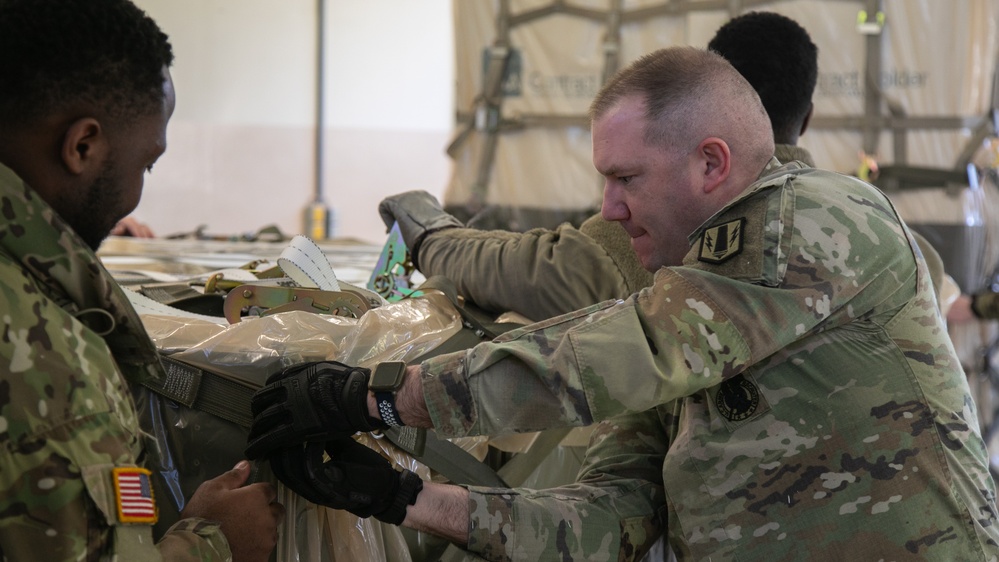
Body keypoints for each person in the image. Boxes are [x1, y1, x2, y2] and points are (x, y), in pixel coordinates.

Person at [247, 46, 999, 560]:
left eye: (626, 178)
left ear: (711, 163)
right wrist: (403, 497)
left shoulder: (808, 218)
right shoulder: (691, 311)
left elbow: (620, 351)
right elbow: (613, 520)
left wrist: (386, 398)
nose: (607, 208)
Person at [0, 1, 283, 560]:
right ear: (82, 145)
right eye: (146, 164)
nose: (136, 192)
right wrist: (213, 541)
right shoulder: (56, 374)